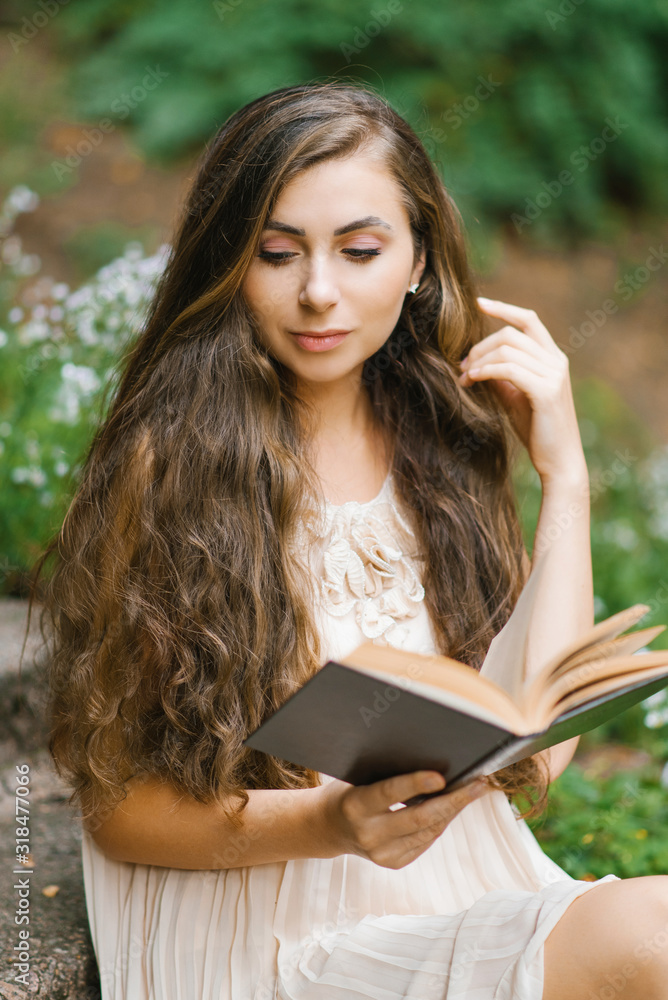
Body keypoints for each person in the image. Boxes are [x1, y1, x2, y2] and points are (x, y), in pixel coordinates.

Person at [30, 80, 668, 1000]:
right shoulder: (169, 465)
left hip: (453, 891)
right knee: (650, 936)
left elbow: (534, 749)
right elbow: (117, 809)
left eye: (360, 251)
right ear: (229, 260)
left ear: (417, 261)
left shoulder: (443, 442)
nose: (318, 293)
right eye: (276, 253)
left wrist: (565, 476)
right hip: (261, 929)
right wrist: (329, 823)